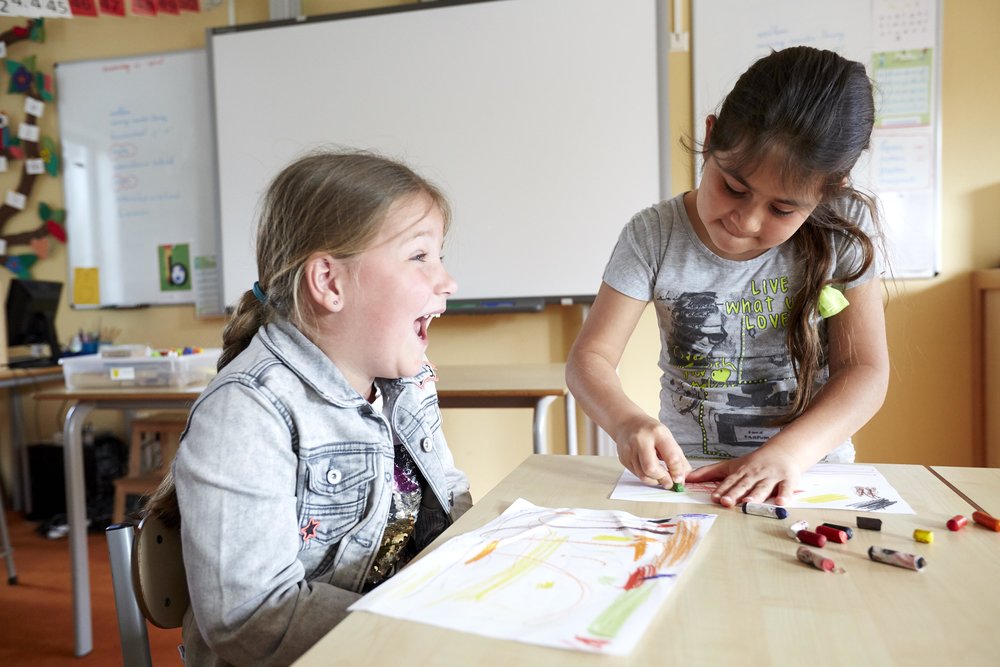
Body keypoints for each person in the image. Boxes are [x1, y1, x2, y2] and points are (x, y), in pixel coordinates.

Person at [144, 149, 472, 666]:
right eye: (420, 256)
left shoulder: (407, 383)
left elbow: (450, 507)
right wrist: (418, 634)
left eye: (440, 255)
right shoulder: (247, 414)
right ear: (329, 283)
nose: (447, 280)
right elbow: (250, 619)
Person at [566, 46, 890, 508]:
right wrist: (625, 422)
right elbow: (589, 358)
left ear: (826, 193)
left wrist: (787, 454)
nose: (747, 221)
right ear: (711, 137)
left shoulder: (844, 228)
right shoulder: (653, 233)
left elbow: (865, 372)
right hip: (688, 478)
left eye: (782, 208)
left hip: (807, 476)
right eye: (734, 188)